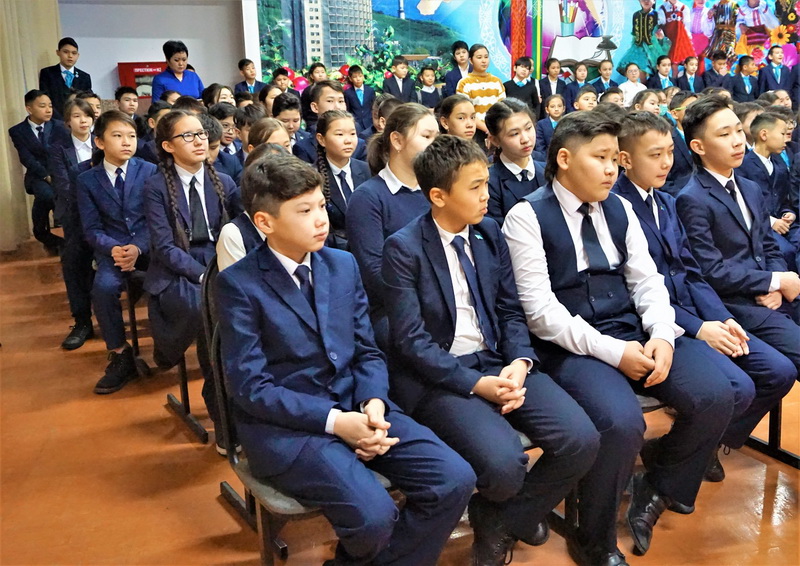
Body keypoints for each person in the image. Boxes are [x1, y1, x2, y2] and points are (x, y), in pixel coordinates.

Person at [215, 152, 475, 566]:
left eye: (321, 205)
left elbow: (367, 350)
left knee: (454, 479)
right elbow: (250, 388)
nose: (321, 219)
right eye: (305, 211)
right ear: (264, 222)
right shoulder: (238, 284)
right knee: (374, 517)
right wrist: (338, 423)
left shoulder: (341, 264)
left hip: (358, 404)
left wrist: (373, 402)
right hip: (291, 429)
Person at [502, 111, 735, 565]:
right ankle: (595, 540)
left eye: (615, 159)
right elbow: (542, 313)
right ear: (564, 159)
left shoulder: (619, 207)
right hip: (571, 345)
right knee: (621, 423)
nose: (612, 169)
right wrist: (614, 352)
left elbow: (647, 281)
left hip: (631, 327)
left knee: (716, 393)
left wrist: (662, 335)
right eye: (601, 158)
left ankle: (658, 485)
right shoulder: (526, 215)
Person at [382, 134, 599, 565]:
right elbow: (411, 342)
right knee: (503, 465)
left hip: (499, 361)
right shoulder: (404, 248)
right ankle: (509, 510)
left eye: (486, 183)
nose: (487, 194)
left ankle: (500, 517)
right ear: (439, 196)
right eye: (476, 186)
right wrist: (475, 384)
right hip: (442, 375)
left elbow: (509, 308)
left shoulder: (488, 231)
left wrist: (519, 360)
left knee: (581, 440)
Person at [614, 110, 795, 480]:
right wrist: (704, 325)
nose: (666, 162)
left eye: (669, 152)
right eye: (655, 155)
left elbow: (697, 271)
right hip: (671, 318)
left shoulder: (667, 201)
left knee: (769, 373)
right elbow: (663, 283)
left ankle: (692, 447)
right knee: (760, 377)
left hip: (709, 305)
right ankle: (683, 455)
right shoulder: (650, 203)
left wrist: (772, 284)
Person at [675, 94, 800, 371]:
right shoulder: (691, 198)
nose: (737, 141)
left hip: (770, 294)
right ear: (698, 146)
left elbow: (769, 246)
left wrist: (777, 285)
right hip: (739, 304)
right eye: (724, 134)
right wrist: (774, 281)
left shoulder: (750, 188)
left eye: (739, 131)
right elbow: (711, 270)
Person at [143, 110, 241, 439]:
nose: (199, 141)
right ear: (168, 146)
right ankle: (221, 412)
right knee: (206, 312)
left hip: (220, 259)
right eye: (187, 136)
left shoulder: (223, 181)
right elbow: (164, 247)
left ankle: (235, 404)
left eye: (201, 134)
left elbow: (240, 232)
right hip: (179, 268)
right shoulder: (156, 186)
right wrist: (204, 276)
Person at [76, 111, 158, 394]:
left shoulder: (149, 170)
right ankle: (120, 352)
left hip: (148, 247)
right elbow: (91, 228)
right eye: (118, 136)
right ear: (99, 142)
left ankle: (167, 345)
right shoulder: (87, 180)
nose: (126, 142)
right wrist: (115, 249)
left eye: (132, 136)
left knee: (169, 281)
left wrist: (138, 247)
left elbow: (156, 219)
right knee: (103, 288)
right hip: (112, 250)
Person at [346, 104, 438, 347]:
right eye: (426, 136)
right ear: (397, 140)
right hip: (395, 311)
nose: (435, 145)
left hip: (444, 302)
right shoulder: (368, 197)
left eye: (437, 137)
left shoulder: (437, 192)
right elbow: (376, 273)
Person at [49, 98, 96, 350]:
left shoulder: (101, 142)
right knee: (73, 261)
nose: (83, 120)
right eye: (77, 116)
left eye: (87, 115)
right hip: (75, 213)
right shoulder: (59, 148)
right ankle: (82, 321)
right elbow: (63, 185)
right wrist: (86, 205)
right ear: (68, 121)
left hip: (104, 213)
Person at [8, 90, 67, 254]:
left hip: (59, 173)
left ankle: (52, 235)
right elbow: (26, 157)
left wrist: (57, 174)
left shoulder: (59, 126)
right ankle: (46, 235)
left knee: (59, 198)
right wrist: (45, 175)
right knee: (47, 195)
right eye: (42, 106)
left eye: (50, 106)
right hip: (37, 175)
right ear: (29, 108)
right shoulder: (18, 131)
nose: (48, 110)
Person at [738, 111, 797, 270]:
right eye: (782, 133)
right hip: (760, 227)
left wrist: (789, 213)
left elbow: (784, 199)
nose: (786, 138)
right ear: (764, 135)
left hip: (785, 223)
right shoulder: (743, 165)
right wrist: (772, 221)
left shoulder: (779, 164)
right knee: (786, 252)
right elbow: (743, 203)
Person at [314, 110, 370, 250]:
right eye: (340, 134)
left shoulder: (367, 170)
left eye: (352, 134)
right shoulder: (312, 176)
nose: (348, 140)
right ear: (321, 139)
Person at [486, 98, 546, 225]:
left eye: (528, 128)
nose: (525, 139)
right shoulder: (490, 183)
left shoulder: (549, 171)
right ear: (495, 140)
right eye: (514, 134)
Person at [457, 44, 506, 142]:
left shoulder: (497, 81)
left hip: (496, 130)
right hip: (475, 132)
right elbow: (466, 112)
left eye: (486, 57)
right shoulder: (464, 83)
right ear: (471, 60)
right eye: (479, 57)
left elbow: (503, 108)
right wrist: (487, 129)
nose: (484, 61)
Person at [38, 37, 92, 120]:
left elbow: (87, 100)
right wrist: (58, 120)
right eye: (66, 52)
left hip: (78, 119)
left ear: (78, 55)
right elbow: (45, 98)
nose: (70, 56)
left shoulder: (84, 77)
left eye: (74, 53)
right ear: (58, 52)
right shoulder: (47, 73)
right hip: (54, 120)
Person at [662, 90, 699, 195]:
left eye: (698, 107)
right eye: (690, 108)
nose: (696, 112)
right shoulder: (667, 140)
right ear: (674, 114)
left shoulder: (707, 136)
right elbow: (665, 180)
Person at [344, 65, 376, 131]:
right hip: (356, 124)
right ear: (350, 79)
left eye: (360, 76)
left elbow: (374, 107)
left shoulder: (370, 91)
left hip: (370, 123)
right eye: (355, 77)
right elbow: (348, 110)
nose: (358, 79)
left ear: (363, 77)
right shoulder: (348, 93)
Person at [301, 62, 328, 129]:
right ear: (311, 76)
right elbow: (304, 109)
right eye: (317, 72)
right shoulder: (308, 90)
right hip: (313, 121)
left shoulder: (331, 89)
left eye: (322, 72)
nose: (320, 75)